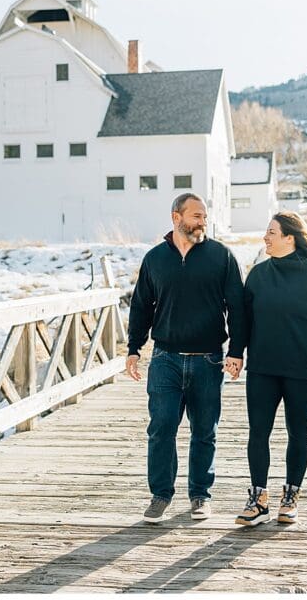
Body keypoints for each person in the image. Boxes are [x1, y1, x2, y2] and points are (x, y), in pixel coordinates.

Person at [126, 193, 246, 523]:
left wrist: (237, 351)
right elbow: (140, 307)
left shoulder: (221, 256)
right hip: (165, 359)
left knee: (204, 431)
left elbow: (237, 307)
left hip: (208, 360)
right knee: (161, 428)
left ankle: (200, 495)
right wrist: (134, 349)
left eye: (204, 216)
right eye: (196, 215)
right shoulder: (155, 259)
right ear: (176, 217)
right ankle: (160, 494)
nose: (202, 222)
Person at [228, 212, 307, 526]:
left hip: (302, 370)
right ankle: (258, 499)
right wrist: (236, 354)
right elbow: (242, 321)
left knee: (298, 432)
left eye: (271, 232)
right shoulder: (258, 274)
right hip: (263, 368)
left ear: (289, 237)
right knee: (258, 432)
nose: (265, 238)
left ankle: (290, 497)